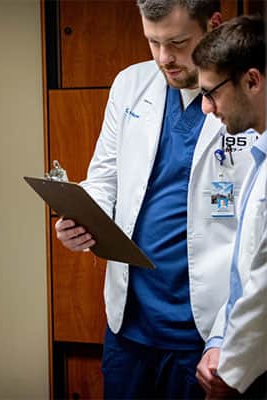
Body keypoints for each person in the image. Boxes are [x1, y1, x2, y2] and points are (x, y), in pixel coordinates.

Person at [54, 0, 255, 397]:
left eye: (178, 42)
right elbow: (104, 178)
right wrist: (80, 217)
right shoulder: (131, 84)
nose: (166, 58)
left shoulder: (246, 94)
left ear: (213, 25)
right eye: (153, 42)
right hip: (131, 325)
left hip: (204, 331)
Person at [192, 15, 266, 398]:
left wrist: (230, 375)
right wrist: (220, 337)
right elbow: (244, 269)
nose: (205, 108)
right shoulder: (260, 155)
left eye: (211, 93)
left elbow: (264, 289)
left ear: (252, 81)